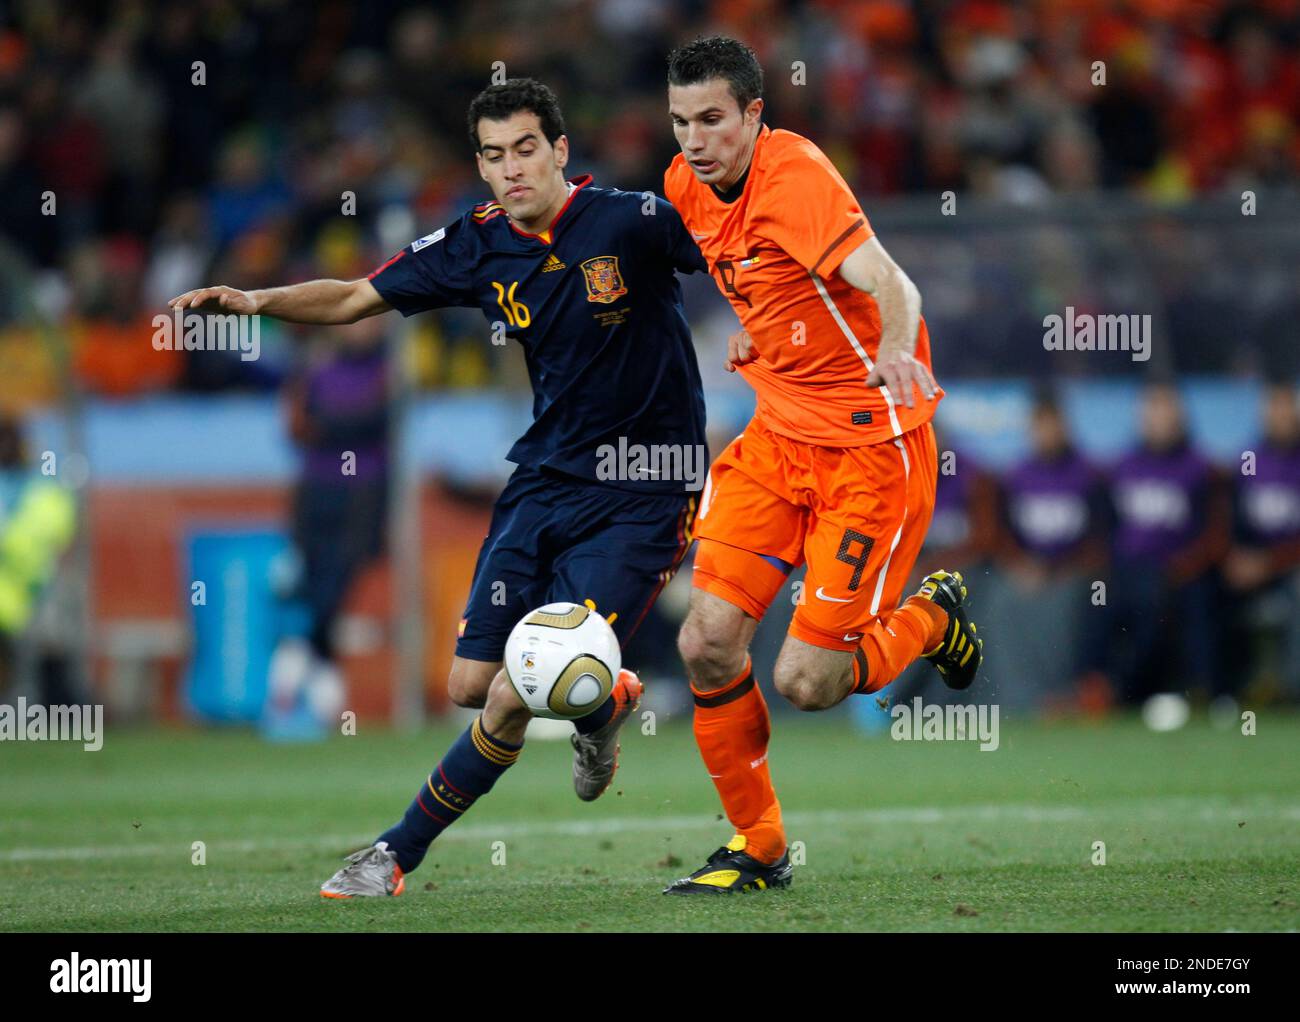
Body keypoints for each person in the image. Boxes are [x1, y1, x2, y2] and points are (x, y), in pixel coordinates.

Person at [171, 78, 708, 897]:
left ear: (560, 151)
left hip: (645, 488)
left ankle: (391, 855)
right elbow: (356, 296)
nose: (510, 170)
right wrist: (256, 299)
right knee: (468, 684)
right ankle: (600, 703)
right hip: (545, 478)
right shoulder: (478, 243)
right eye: (493, 156)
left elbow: (741, 260)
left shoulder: (632, 222)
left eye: (526, 149)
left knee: (512, 691)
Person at [660, 36, 981, 894]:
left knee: (809, 681)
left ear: (755, 116)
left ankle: (930, 621)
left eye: (714, 120)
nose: (696, 139)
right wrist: (761, 332)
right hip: (776, 441)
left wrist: (894, 346)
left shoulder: (797, 179)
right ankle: (757, 845)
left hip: (870, 450)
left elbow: (888, 278)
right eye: (682, 120)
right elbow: (756, 280)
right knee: (706, 641)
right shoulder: (681, 184)